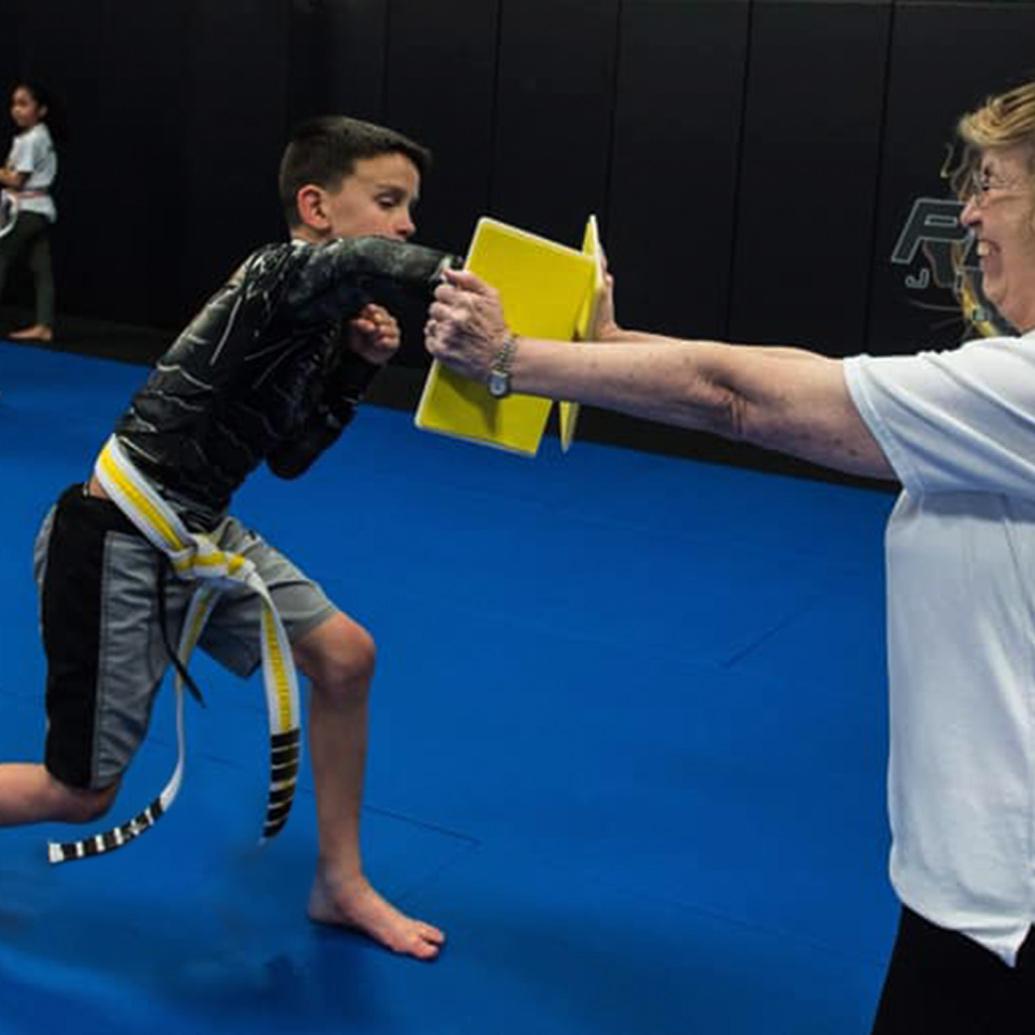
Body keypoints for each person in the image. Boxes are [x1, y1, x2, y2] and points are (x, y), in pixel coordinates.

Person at [426, 79, 1035, 1028]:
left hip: (1009, 915)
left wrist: (507, 359)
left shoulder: (1023, 391)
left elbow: (743, 400)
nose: (966, 212)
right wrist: (618, 345)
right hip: (980, 896)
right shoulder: (1003, 391)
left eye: (991, 185)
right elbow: (803, 377)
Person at [3, 115, 457, 960]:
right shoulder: (275, 271)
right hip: (114, 538)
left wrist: (354, 370)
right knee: (78, 794)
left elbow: (287, 457)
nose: (405, 226)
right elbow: (369, 262)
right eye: (389, 202)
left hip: (202, 531)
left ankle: (339, 881)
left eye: (411, 209)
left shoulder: (321, 322)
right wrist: (488, 287)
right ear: (315, 205)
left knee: (346, 658)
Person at [0, 81, 58, 343]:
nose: (17, 110)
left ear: (41, 109)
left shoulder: (31, 140)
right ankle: (44, 325)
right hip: (41, 209)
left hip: (27, 210)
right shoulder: (41, 135)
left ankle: (44, 325)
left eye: (24, 104)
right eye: (14, 104)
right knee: (41, 266)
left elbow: (17, 181)